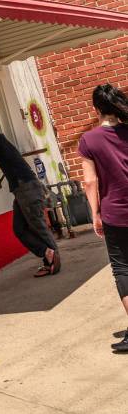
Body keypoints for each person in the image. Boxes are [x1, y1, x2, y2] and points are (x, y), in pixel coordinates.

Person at [0, 113, 60, 277]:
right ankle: (48, 254)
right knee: (19, 229)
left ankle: (52, 261)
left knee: (37, 226)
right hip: (23, 189)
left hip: (26, 188)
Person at [78, 84, 128, 352]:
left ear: (96, 109)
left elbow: (89, 181)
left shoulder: (89, 140)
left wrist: (95, 213)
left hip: (115, 213)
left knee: (123, 269)